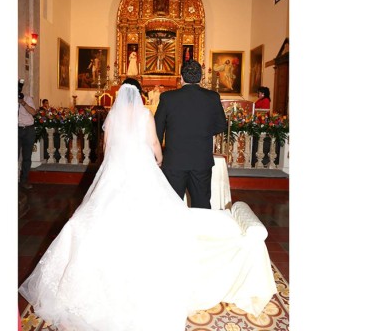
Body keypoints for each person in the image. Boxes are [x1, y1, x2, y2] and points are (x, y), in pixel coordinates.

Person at [19, 77, 276, 331]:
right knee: (152, 211)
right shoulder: (144, 115)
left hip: (117, 170)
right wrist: (159, 160)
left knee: (102, 212)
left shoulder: (113, 116)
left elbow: (107, 145)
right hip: (142, 168)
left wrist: (112, 165)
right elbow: (154, 143)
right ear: (140, 94)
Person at [154, 60, 227, 209]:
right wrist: (203, 132)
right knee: (201, 205)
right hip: (201, 160)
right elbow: (221, 125)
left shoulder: (167, 98)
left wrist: (157, 155)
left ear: (181, 77)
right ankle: (201, 232)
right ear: (201, 78)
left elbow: (157, 129)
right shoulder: (212, 97)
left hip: (174, 161)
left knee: (171, 206)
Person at [18, 84, 37, 190]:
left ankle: (24, 180)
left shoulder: (27, 98)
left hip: (28, 130)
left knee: (26, 157)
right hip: (16, 130)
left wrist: (22, 103)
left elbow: (33, 112)